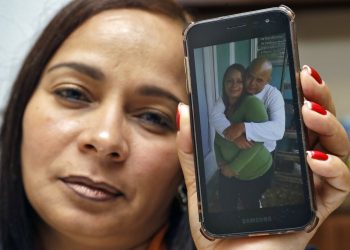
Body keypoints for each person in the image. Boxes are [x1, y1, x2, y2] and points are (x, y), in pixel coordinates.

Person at [0, 1, 349, 250]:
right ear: (21, 104)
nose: (105, 139)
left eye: (153, 117)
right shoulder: (221, 105)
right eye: (73, 93)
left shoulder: (260, 103)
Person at [212, 64, 273, 210]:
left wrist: (233, 167)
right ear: (224, 83)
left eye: (239, 81)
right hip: (227, 169)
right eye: (229, 81)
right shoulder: (222, 107)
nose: (234, 85)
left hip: (255, 171)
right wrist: (220, 161)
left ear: (244, 84)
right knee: (226, 206)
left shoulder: (252, 104)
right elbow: (217, 138)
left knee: (250, 208)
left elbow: (259, 141)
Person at [211, 57, 285, 153]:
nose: (252, 83)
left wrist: (243, 127)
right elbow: (215, 115)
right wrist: (233, 136)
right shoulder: (237, 88)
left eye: (259, 80)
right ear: (246, 72)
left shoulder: (273, 95)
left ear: (268, 81)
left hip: (263, 152)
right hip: (235, 150)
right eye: (250, 76)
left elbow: (278, 129)